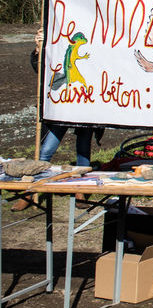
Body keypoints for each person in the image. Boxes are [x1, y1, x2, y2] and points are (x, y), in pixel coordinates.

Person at [15, 29, 98, 211]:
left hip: (86, 104)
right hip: (62, 105)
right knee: (46, 149)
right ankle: (31, 190)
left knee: (83, 149)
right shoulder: (59, 36)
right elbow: (41, 70)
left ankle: (81, 189)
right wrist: (39, 49)